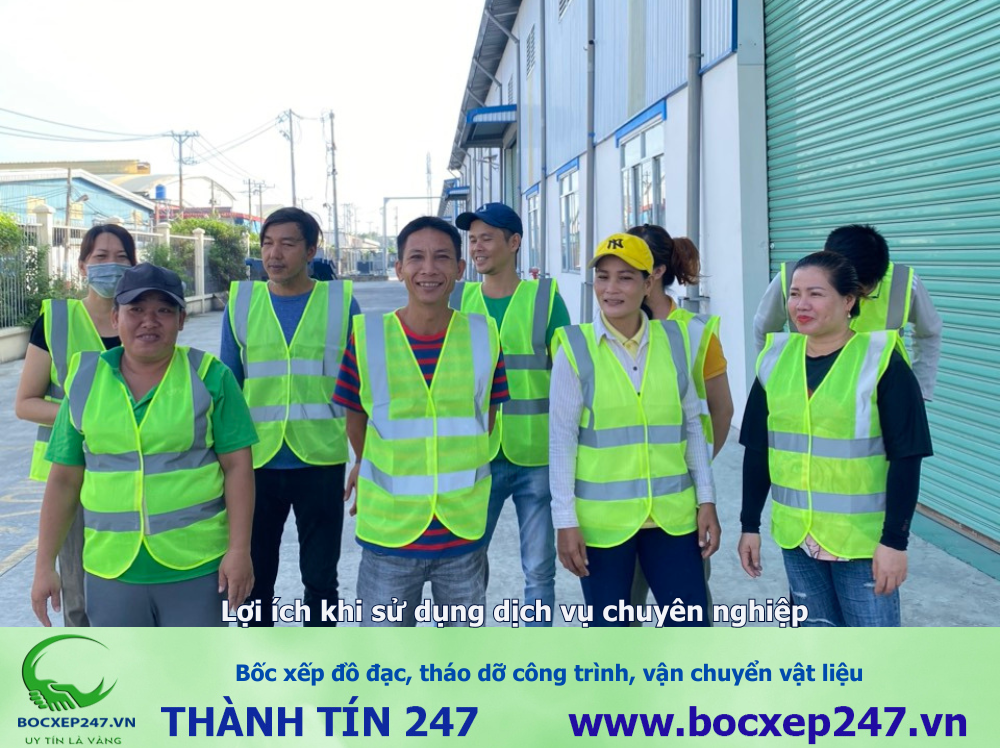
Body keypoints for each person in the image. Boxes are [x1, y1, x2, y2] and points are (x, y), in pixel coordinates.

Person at [30, 264, 257, 627]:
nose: (149, 321)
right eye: (136, 309)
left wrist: (240, 550)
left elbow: (238, 468)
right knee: (124, 665)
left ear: (181, 320)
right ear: (115, 317)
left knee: (195, 664)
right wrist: (44, 566)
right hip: (110, 570)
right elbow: (63, 480)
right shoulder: (85, 381)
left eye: (163, 310)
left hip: (196, 566)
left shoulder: (210, 377)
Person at [739, 251, 932, 627]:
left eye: (815, 294)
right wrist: (750, 524)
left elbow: (907, 457)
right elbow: (758, 449)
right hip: (798, 538)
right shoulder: (774, 359)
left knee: (871, 652)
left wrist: (895, 542)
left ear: (848, 301)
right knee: (817, 645)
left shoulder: (883, 362)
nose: (801, 305)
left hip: (862, 545)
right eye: (794, 294)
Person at [336, 216, 508, 627]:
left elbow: (486, 418)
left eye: (442, 257)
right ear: (399, 269)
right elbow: (355, 418)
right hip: (388, 537)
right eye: (416, 258)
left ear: (460, 269)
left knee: (460, 657)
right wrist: (368, 460)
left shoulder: (484, 335)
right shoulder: (368, 336)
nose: (428, 269)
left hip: (462, 534)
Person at [549, 233, 718, 627]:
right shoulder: (575, 348)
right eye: (603, 277)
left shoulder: (675, 341)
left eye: (625, 278)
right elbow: (561, 442)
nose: (611, 289)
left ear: (648, 283)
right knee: (612, 634)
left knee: (691, 627)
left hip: (673, 519)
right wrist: (564, 521)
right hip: (603, 525)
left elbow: (692, 425)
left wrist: (707, 499)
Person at [221, 207, 359, 627]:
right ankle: (258, 659)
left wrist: (364, 457)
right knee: (254, 579)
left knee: (321, 579)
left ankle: (319, 660)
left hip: (320, 460)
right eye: (267, 243)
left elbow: (361, 389)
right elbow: (228, 386)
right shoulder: (241, 302)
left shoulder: (341, 304)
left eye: (287, 244)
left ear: (311, 251)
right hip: (255, 463)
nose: (274, 254)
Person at [451, 202, 571, 626]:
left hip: (534, 455)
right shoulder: (458, 300)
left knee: (538, 570)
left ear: (514, 242)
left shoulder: (545, 299)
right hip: (475, 455)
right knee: (463, 565)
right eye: (472, 239)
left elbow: (568, 378)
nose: (477, 248)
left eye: (486, 238)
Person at [15, 224, 139, 627]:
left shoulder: (145, 321)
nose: (110, 265)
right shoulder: (57, 320)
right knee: (79, 591)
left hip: (139, 472)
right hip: (73, 474)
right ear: (83, 265)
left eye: (121, 257)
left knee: (133, 586)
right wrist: (90, 417)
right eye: (100, 257)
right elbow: (25, 403)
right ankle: (86, 657)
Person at [625, 226, 732, 615]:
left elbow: (722, 410)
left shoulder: (695, 333)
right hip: (619, 503)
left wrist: (697, 470)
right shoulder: (605, 330)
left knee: (687, 615)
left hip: (679, 504)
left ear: (654, 273)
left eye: (629, 268)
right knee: (620, 616)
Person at [753, 224, 942, 400]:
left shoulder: (903, 284)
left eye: (859, 293)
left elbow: (929, 334)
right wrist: (777, 381)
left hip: (880, 394)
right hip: (810, 392)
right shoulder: (791, 279)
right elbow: (765, 330)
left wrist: (918, 390)